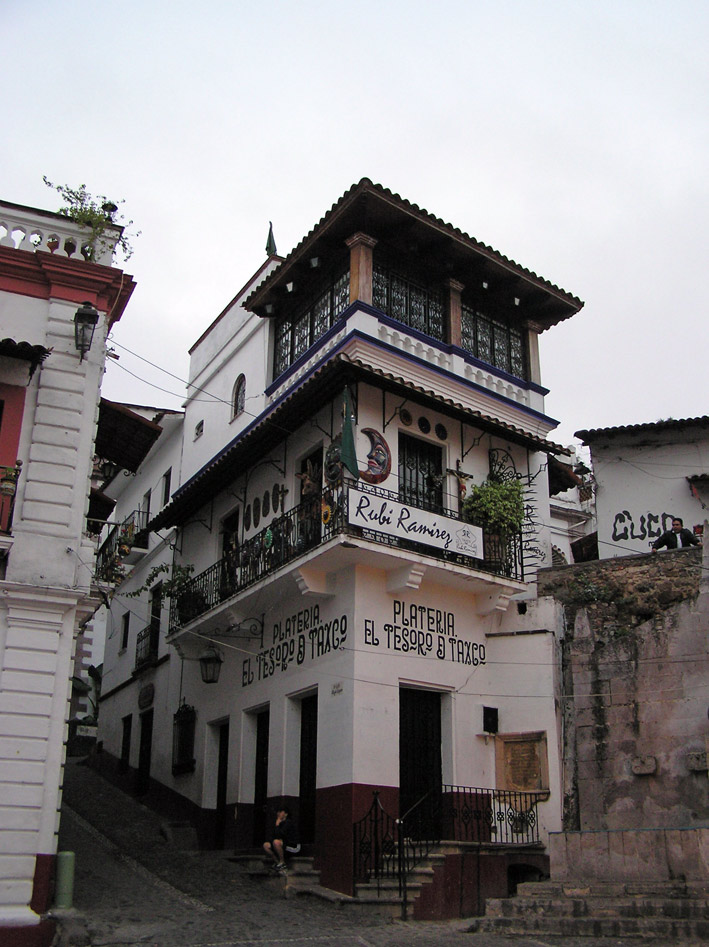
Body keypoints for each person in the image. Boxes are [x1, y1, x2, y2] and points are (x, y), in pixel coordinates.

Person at [263, 806, 298, 872]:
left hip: (292, 846)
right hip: (283, 844)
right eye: (278, 812)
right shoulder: (279, 823)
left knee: (276, 842)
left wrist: (277, 825)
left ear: (286, 814)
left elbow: (281, 834)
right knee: (266, 845)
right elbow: (274, 836)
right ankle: (277, 862)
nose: (278, 813)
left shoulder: (288, 823)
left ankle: (282, 862)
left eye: (281, 812)